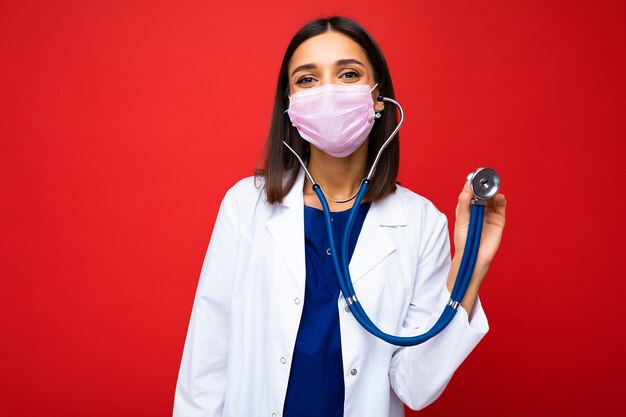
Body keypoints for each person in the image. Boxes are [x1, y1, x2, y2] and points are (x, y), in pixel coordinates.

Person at [173, 16, 507, 417]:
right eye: (308, 79)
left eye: (348, 74)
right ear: (290, 105)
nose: (328, 92)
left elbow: (415, 386)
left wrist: (472, 265)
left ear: (377, 97)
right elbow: (205, 366)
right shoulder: (245, 207)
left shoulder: (420, 224)